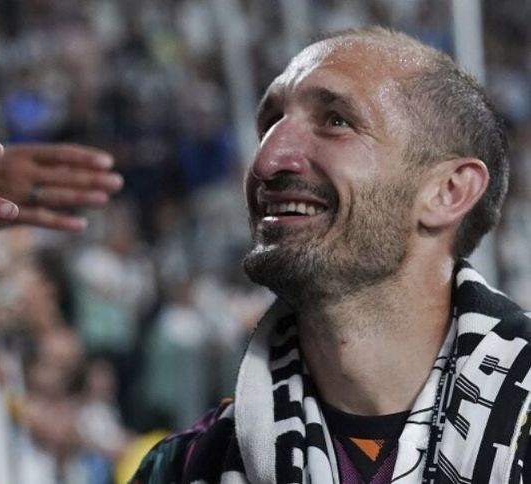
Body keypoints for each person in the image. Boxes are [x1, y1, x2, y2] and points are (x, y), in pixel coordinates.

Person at [130, 26, 530, 483]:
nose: (266, 160)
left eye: (336, 121)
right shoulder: (183, 468)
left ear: (448, 192)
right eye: (270, 124)